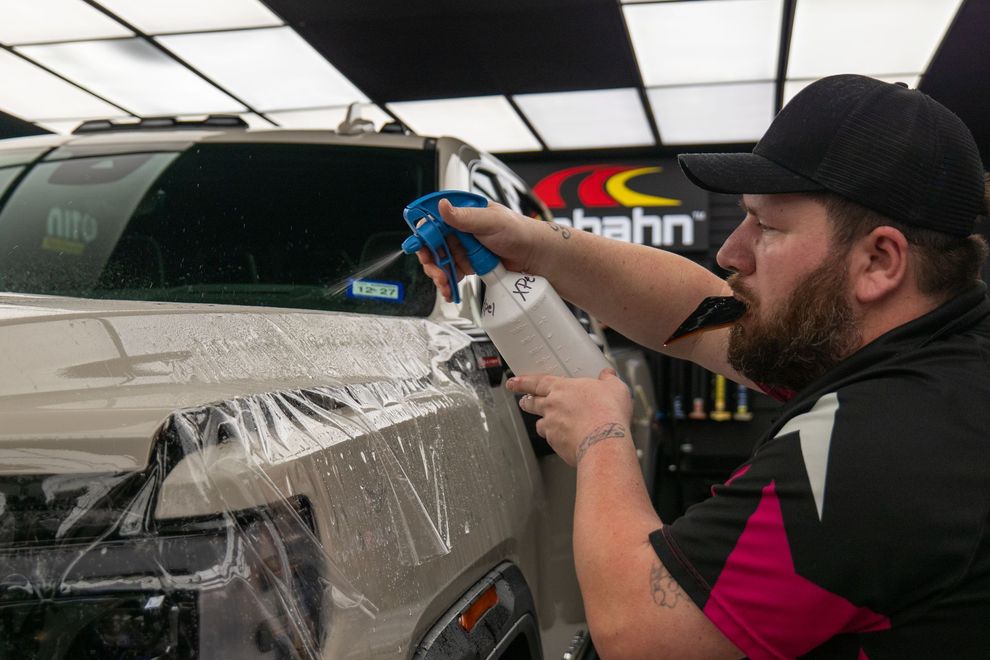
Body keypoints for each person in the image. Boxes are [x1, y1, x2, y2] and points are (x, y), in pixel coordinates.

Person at [419, 74, 990, 658]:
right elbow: (698, 314)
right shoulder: (925, 350)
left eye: (767, 227)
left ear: (878, 261)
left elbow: (641, 634)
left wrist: (600, 439)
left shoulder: (884, 442)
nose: (729, 252)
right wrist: (534, 242)